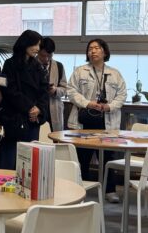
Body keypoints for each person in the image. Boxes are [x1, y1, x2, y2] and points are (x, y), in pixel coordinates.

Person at [66, 38, 128, 196]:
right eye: (90, 48)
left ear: (104, 52)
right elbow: (71, 91)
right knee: (82, 157)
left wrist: (109, 106)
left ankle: (110, 190)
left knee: (108, 157)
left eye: (96, 48)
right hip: (84, 120)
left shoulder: (115, 73)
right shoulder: (80, 71)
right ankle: (81, 189)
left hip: (107, 121)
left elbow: (122, 95)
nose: (92, 51)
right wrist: (88, 103)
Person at [0, 30, 48, 169]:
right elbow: (10, 91)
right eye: (35, 45)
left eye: (39, 45)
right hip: (15, 118)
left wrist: (39, 109)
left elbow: (44, 90)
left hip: (33, 119)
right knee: (11, 157)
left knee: (30, 160)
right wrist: (30, 107)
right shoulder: (10, 64)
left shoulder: (37, 65)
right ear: (25, 43)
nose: (37, 48)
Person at [37, 37, 69, 133]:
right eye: (43, 56)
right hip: (37, 108)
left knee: (55, 136)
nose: (46, 59)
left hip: (54, 109)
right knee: (36, 137)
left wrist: (55, 90)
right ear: (38, 52)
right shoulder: (30, 64)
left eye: (49, 56)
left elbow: (65, 89)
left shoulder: (59, 66)